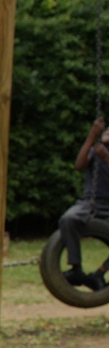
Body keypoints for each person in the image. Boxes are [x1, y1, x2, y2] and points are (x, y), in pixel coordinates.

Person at [59, 116, 109, 289]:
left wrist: (106, 157)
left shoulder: (103, 153)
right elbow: (79, 165)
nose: (107, 132)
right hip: (90, 203)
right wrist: (92, 134)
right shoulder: (95, 150)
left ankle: (99, 274)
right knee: (68, 219)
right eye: (106, 130)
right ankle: (76, 269)